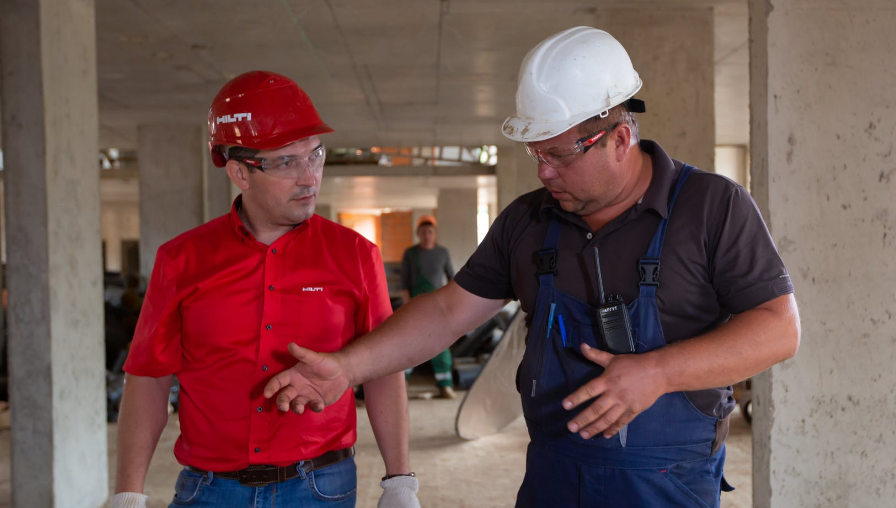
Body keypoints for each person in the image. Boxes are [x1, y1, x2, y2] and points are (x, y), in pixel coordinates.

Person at [263, 26, 801, 508]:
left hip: (667, 482)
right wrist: (350, 368)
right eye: (534, 153)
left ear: (619, 137)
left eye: (560, 155)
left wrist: (659, 372)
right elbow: (449, 312)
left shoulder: (711, 206)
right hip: (552, 477)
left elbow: (779, 328)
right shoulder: (527, 221)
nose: (544, 171)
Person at [111, 71, 420, 508]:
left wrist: (399, 480)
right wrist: (128, 492)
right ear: (239, 171)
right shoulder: (181, 260)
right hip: (209, 490)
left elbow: (385, 368)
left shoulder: (355, 255)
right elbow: (149, 378)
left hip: (320, 487)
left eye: (314, 155)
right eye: (285, 162)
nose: (309, 177)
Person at [400, 215, 456, 398]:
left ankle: (445, 385)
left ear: (435, 234)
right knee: (409, 344)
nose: (427, 235)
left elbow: (452, 279)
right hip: (416, 305)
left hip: (438, 306)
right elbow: (404, 284)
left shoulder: (443, 253)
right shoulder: (411, 253)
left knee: (441, 344)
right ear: (418, 234)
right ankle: (401, 385)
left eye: (430, 232)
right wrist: (407, 307)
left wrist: (451, 304)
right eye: (423, 232)